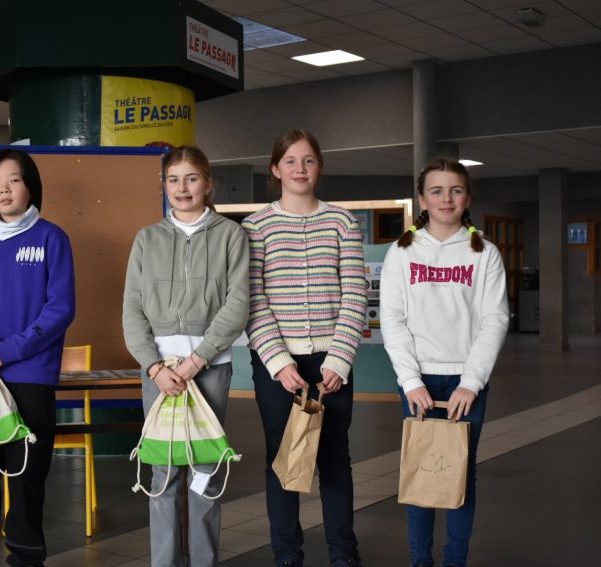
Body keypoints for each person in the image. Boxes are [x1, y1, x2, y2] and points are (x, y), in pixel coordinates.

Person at [242, 129, 367, 567]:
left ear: (319, 167)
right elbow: (253, 299)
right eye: (291, 161)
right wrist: (278, 363)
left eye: (308, 160)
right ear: (276, 170)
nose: (300, 169)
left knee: (335, 460)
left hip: (331, 363)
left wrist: (340, 359)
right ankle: (287, 557)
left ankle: (344, 555)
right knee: (284, 461)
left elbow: (355, 294)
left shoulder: (343, 222)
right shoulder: (255, 227)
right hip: (279, 366)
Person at [122, 145, 249, 567]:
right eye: (173, 180)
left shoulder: (231, 235)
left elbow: (237, 305)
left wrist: (198, 359)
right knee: (164, 472)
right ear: (163, 185)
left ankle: (203, 561)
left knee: (205, 471)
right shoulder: (147, 238)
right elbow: (132, 309)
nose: (182, 188)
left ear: (208, 183)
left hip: (209, 371)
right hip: (158, 375)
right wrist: (154, 366)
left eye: (191, 178)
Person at [380, 158, 509, 567]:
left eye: (455, 190)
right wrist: (410, 380)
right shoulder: (402, 252)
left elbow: (494, 320)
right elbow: (392, 320)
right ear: (422, 199)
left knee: (460, 474)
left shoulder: (484, 253)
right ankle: (420, 560)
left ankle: (455, 560)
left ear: (467, 198)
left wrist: (471, 382)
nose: (446, 198)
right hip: (418, 381)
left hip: (465, 383)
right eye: (436, 191)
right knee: (419, 472)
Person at [0, 148, 75, 567]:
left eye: (14, 180)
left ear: (31, 187)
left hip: (30, 375)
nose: (3, 189)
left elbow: (60, 309)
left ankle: (25, 556)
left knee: (25, 475)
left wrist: (6, 352)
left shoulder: (51, 238)